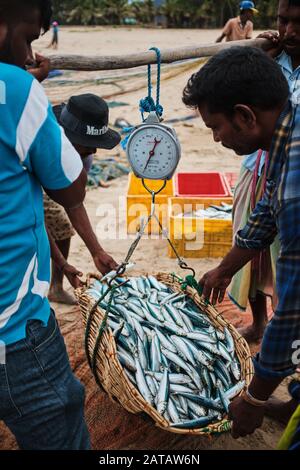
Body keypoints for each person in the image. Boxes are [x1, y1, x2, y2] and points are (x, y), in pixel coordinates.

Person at [0, 0, 116, 450]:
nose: (30, 53)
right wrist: (30, 95)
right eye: (29, 37)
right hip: (14, 333)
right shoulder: (16, 91)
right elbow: (71, 192)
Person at [182, 46, 300, 439]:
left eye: (215, 126)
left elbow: (292, 308)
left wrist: (255, 399)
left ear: (245, 116)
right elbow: (265, 213)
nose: (216, 139)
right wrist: (223, 270)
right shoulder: (288, 134)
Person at [229, 0, 300, 343]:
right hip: (255, 167)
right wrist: (259, 54)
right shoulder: (269, 58)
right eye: (283, 21)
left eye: (297, 24)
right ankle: (258, 323)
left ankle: (281, 330)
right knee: (248, 245)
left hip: (293, 174)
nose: (289, 32)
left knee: (286, 254)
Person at [45, 94, 121, 304]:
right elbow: (32, 215)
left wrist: (97, 252)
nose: (93, 150)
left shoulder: (83, 155)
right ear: (68, 137)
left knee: (61, 225)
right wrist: (61, 263)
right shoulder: (38, 143)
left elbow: (73, 203)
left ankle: (55, 287)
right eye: (87, 144)